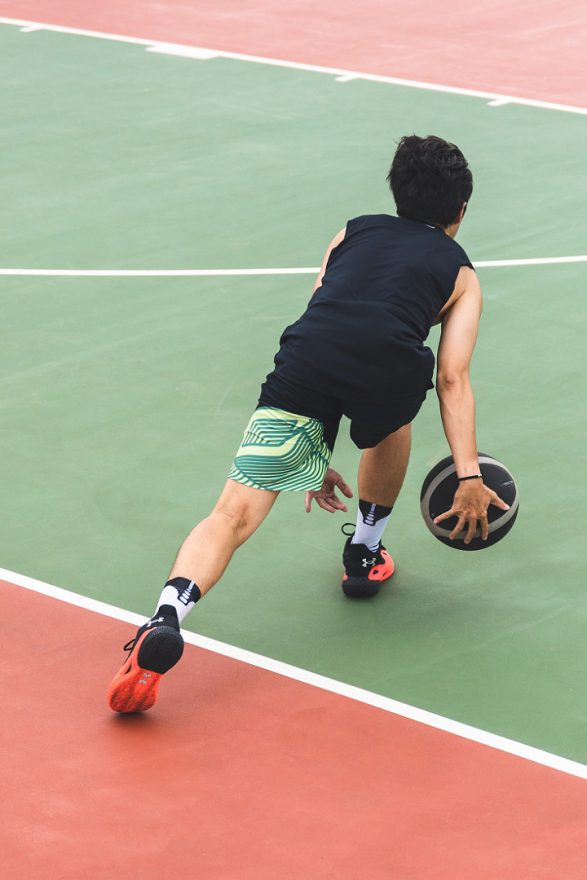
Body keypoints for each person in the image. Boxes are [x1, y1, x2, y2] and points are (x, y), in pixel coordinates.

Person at [107, 134, 509, 714]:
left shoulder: (351, 233)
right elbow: (452, 379)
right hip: (388, 370)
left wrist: (310, 454)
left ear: (396, 194)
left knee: (231, 514)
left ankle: (167, 614)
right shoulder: (462, 274)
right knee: (393, 417)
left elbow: (325, 312)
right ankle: (364, 553)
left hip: (307, 358)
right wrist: (468, 475)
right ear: (461, 211)